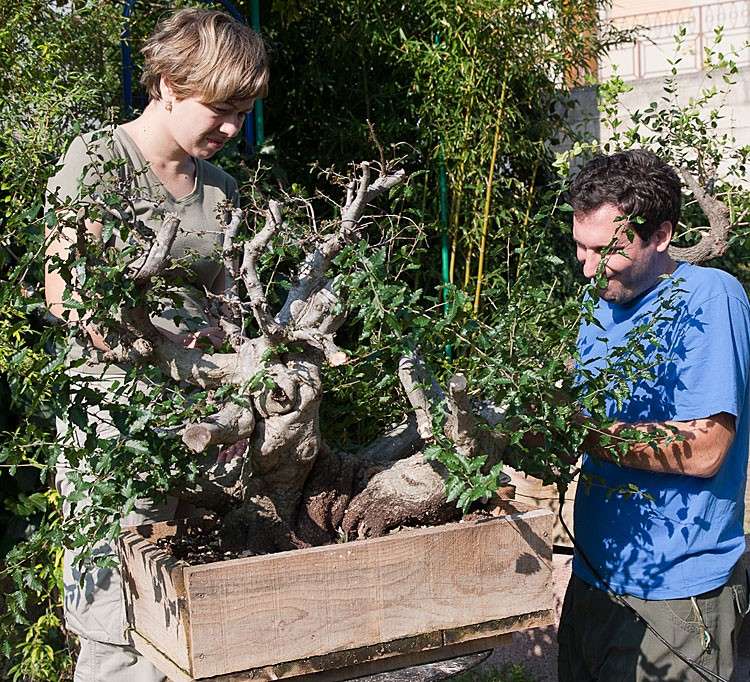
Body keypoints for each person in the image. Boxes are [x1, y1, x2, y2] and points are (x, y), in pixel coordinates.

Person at [44, 8, 269, 681]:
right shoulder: (100, 160)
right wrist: (145, 341)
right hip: (115, 422)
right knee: (117, 625)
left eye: (243, 114)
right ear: (170, 84)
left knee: (187, 620)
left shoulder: (220, 190)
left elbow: (229, 307)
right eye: (221, 110)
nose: (232, 129)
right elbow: (64, 293)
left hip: (196, 424)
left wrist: (238, 393)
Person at [558, 149, 750, 682]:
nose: (589, 267)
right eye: (580, 247)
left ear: (661, 235)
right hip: (595, 580)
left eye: (606, 250)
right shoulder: (601, 303)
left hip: (674, 597)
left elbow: (707, 446)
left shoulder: (708, 299)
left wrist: (588, 434)